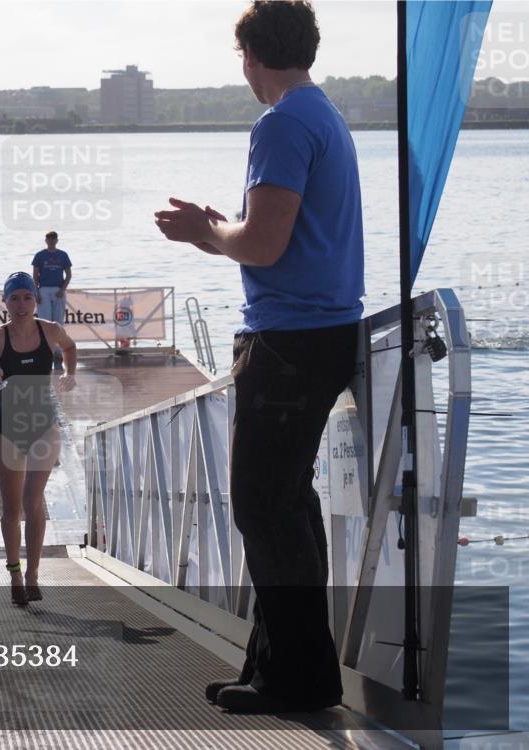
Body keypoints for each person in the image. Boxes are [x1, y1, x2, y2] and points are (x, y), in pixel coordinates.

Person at [154, 0, 363, 714]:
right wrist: (223, 227)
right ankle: (279, 667)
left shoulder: (281, 124)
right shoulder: (324, 114)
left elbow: (266, 245)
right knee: (288, 507)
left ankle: (300, 680)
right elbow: (280, 233)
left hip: (287, 341)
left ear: (251, 56)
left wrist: (205, 231)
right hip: (324, 332)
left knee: (263, 508)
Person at [0, 271, 77, 605]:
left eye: (27, 297)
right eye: (14, 298)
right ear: (5, 302)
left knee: (33, 502)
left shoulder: (50, 330)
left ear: (36, 300)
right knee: (12, 509)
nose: (21, 304)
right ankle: (15, 574)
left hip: (44, 426)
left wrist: (69, 372)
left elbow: (70, 346)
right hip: (8, 427)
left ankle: (35, 576)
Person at [31, 231, 72, 367]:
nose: (51, 241)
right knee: (45, 322)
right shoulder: (40, 255)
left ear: (57, 240)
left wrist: (62, 289)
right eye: (49, 238)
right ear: (46, 240)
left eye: (53, 238)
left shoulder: (63, 255)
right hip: (44, 289)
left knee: (58, 322)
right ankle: (46, 351)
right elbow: (35, 275)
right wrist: (36, 292)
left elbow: (68, 274)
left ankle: (58, 352)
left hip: (58, 290)